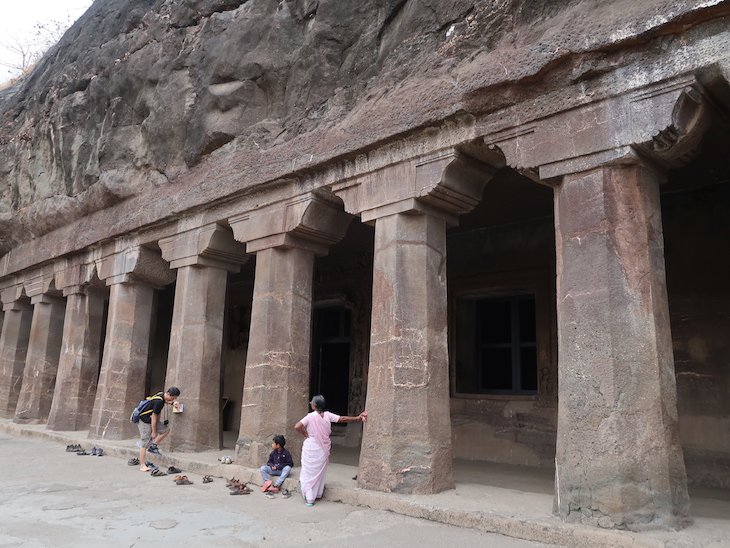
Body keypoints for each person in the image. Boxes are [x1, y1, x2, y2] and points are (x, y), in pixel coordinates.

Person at [294, 395, 367, 506]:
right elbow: (342, 419)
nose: (310, 403)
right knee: (319, 471)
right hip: (323, 448)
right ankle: (317, 493)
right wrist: (357, 418)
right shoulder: (328, 415)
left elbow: (297, 426)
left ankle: (309, 497)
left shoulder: (310, 416)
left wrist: (304, 433)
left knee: (309, 471)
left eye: (311, 403)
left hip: (311, 446)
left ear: (314, 406)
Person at [137, 387, 180, 472]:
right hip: (145, 421)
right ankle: (142, 465)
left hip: (150, 419)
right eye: (173, 397)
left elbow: (165, 401)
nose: (173, 399)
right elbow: (154, 416)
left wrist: (172, 403)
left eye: (175, 398)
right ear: (168, 394)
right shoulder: (159, 401)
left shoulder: (161, 395)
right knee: (144, 443)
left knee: (166, 430)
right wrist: (154, 432)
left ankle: (153, 446)